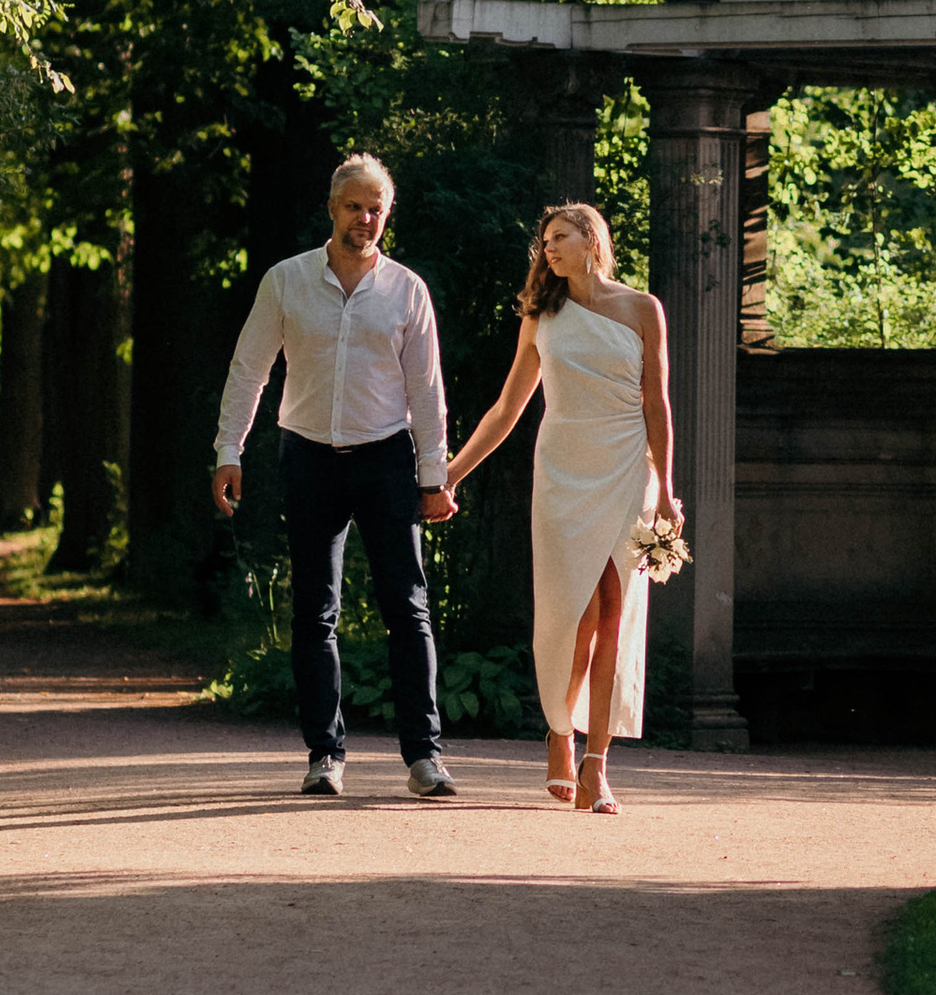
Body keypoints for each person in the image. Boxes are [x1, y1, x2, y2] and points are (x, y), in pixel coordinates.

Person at [212, 154, 460, 801]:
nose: (366, 218)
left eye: (376, 207)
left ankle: (424, 757)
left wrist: (434, 477)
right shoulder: (287, 282)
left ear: (387, 213)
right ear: (332, 207)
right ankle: (325, 755)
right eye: (355, 206)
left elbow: (427, 392)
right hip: (309, 455)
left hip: (384, 458)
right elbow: (249, 370)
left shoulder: (407, 292)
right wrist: (228, 451)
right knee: (314, 611)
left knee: (408, 608)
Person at [446, 202, 677, 815]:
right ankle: (558, 734)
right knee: (569, 613)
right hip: (562, 473)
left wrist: (668, 490)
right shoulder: (542, 315)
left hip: (628, 470)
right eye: (544, 240)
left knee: (612, 613)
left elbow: (658, 404)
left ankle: (596, 765)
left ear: (591, 242)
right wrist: (448, 474)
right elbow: (506, 410)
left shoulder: (641, 309)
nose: (548, 248)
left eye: (559, 237)